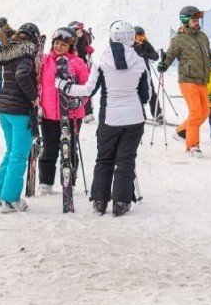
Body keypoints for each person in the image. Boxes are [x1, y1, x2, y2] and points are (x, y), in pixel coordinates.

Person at [57, 20, 149, 216]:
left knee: (104, 159)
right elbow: (146, 95)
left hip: (110, 119)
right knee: (125, 160)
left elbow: (88, 90)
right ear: (131, 38)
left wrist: (64, 85)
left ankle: (100, 200)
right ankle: (121, 202)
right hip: (134, 119)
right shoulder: (140, 62)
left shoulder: (102, 62)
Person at [157, 5, 211, 158]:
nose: (197, 22)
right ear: (185, 20)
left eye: (197, 19)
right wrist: (164, 64)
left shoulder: (202, 36)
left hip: (203, 80)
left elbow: (208, 53)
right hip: (188, 80)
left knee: (205, 112)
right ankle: (192, 146)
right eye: (194, 20)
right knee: (196, 112)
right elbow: (170, 55)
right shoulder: (179, 39)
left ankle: (181, 131)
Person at [0, 22, 41, 213]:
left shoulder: (9, 55)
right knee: (18, 156)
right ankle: (9, 200)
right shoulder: (26, 55)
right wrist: (34, 97)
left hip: (3, 109)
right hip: (19, 111)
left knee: (10, 153)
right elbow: (22, 75)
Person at [37, 27, 89, 196]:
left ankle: (69, 180)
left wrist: (80, 101)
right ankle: (45, 182)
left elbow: (87, 88)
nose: (59, 47)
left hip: (72, 114)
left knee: (70, 148)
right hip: (49, 114)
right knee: (49, 148)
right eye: (57, 43)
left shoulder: (78, 63)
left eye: (63, 45)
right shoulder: (45, 61)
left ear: (70, 47)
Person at [133, 25, 163, 124]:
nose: (141, 38)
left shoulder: (145, 44)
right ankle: (138, 113)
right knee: (136, 94)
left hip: (146, 73)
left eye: (142, 35)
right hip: (134, 74)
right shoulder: (130, 45)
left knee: (151, 93)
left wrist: (148, 55)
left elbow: (156, 56)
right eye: (138, 36)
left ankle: (157, 113)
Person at [68, 21, 96, 122]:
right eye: (75, 30)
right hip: (73, 67)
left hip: (83, 66)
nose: (77, 32)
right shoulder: (70, 41)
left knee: (85, 88)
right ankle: (80, 111)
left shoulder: (83, 38)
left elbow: (87, 41)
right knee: (75, 89)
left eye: (79, 29)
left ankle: (88, 112)